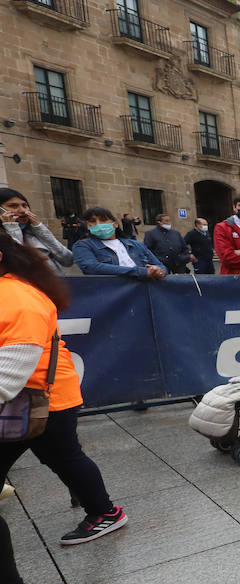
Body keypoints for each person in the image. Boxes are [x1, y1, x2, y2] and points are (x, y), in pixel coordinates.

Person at [0, 231, 127, 550]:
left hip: (38, 396)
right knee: (62, 455)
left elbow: (10, 373)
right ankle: (103, 511)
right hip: (33, 396)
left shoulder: (15, 297)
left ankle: (104, 512)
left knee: (64, 455)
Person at [72, 208, 166, 279]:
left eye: (103, 220)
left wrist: (158, 271)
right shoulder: (82, 246)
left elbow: (161, 266)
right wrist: (142, 272)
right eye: (92, 221)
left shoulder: (136, 245)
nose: (98, 224)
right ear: (88, 226)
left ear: (115, 224)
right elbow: (91, 267)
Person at [1, 188, 73, 272]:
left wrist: (40, 229)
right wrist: (12, 228)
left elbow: (68, 260)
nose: (23, 211)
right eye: (13, 206)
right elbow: (19, 266)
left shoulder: (34, 232)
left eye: (25, 205)